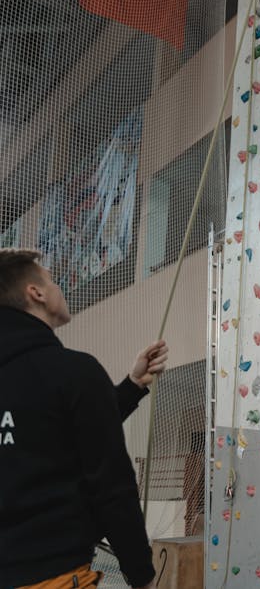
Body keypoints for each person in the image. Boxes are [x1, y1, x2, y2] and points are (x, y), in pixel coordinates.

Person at [0, 248, 168, 589]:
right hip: (53, 576)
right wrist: (143, 577)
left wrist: (131, 387)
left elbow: (48, 435)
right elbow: (112, 486)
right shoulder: (74, 372)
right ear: (37, 293)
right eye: (52, 280)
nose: (58, 287)